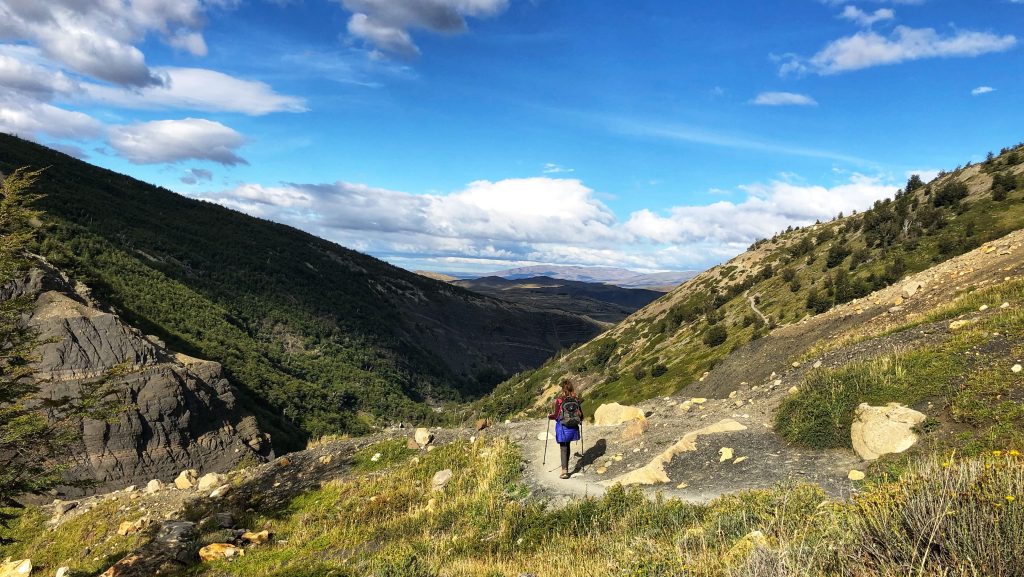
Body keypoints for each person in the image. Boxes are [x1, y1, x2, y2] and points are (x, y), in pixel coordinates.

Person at [548, 379, 582, 479]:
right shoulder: (576, 399)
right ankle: (565, 468)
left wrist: (549, 416)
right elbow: (581, 416)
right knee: (568, 446)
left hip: (562, 427)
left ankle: (564, 471)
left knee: (563, 448)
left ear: (563, 389)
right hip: (572, 427)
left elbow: (555, 416)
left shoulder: (560, 400)